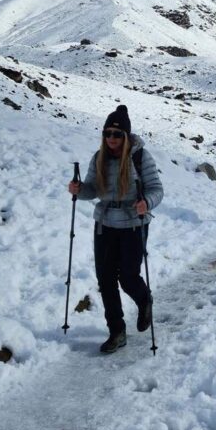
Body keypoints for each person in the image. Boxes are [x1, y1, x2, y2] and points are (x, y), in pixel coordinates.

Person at [68, 105, 163, 354]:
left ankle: (144, 300)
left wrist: (146, 203)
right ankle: (117, 331)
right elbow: (92, 189)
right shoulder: (98, 157)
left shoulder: (140, 157)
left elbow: (156, 189)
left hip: (133, 223)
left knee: (128, 277)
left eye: (117, 134)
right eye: (108, 133)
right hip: (105, 225)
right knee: (106, 279)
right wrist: (80, 190)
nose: (111, 138)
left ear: (126, 136)